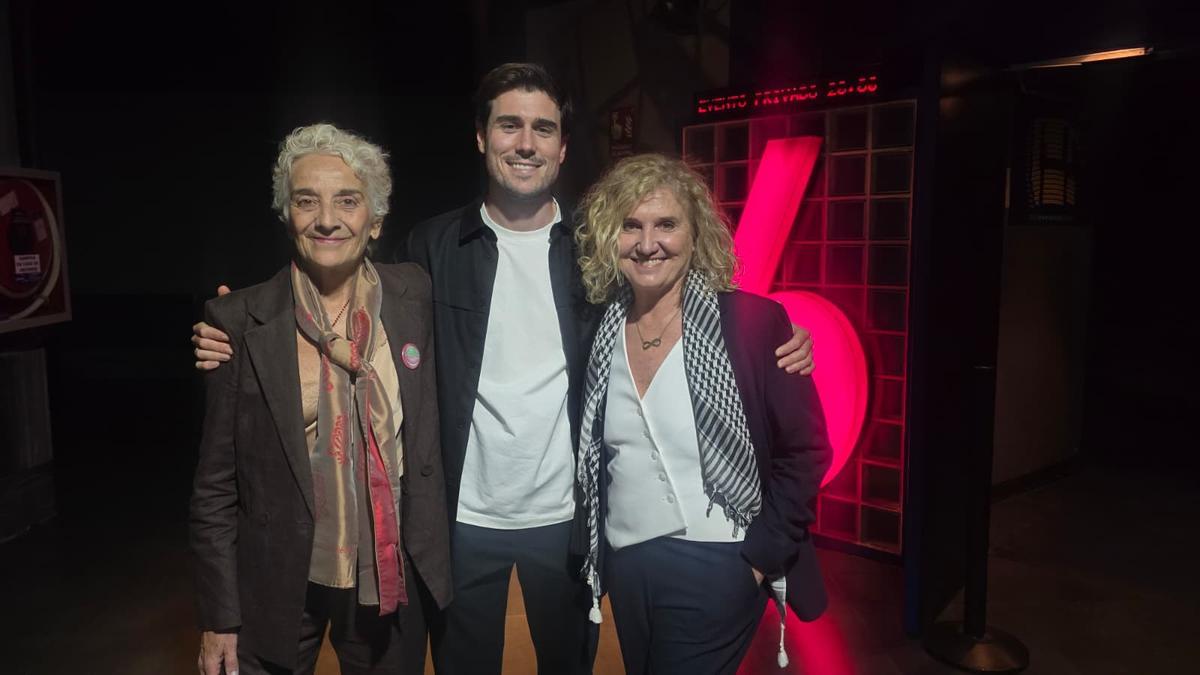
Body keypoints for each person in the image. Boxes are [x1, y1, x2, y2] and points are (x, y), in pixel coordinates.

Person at [192, 63, 815, 675]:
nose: (525, 142)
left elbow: (673, 292)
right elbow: (347, 284)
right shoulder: (428, 250)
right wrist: (241, 326)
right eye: (509, 125)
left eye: (542, 129)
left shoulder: (595, 250)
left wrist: (777, 337)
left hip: (569, 521)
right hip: (460, 521)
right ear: (481, 137)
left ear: (563, 147)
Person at [190, 123, 450, 675]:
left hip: (386, 566)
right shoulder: (238, 321)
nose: (327, 219)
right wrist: (219, 616)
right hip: (277, 576)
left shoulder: (416, 296)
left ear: (375, 220)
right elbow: (214, 486)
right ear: (288, 217)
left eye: (347, 201)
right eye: (307, 201)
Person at [573, 153, 832, 675]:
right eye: (631, 226)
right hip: (627, 563)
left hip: (723, 562)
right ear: (609, 237)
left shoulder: (753, 323)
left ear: (696, 234)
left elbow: (806, 450)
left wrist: (759, 560)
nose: (648, 244)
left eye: (666, 224)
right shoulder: (595, 331)